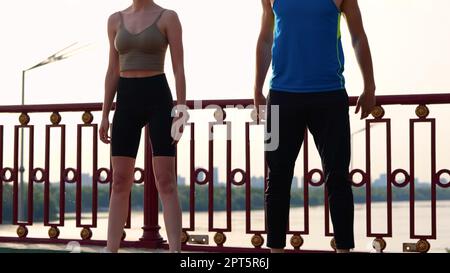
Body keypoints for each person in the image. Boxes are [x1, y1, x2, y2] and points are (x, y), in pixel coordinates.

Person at [254, 0, 376, 253]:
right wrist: (257, 88)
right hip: (280, 97)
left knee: (338, 176)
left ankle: (343, 249)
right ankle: (275, 250)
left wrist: (370, 85)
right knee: (276, 178)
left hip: (330, 96)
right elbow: (265, 39)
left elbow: (358, 37)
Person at [99, 0, 186, 253]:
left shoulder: (168, 17)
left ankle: (176, 251)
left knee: (165, 179)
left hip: (158, 97)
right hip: (126, 100)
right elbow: (112, 70)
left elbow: (178, 68)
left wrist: (180, 112)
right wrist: (105, 113)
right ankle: (111, 248)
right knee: (120, 180)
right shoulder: (115, 20)